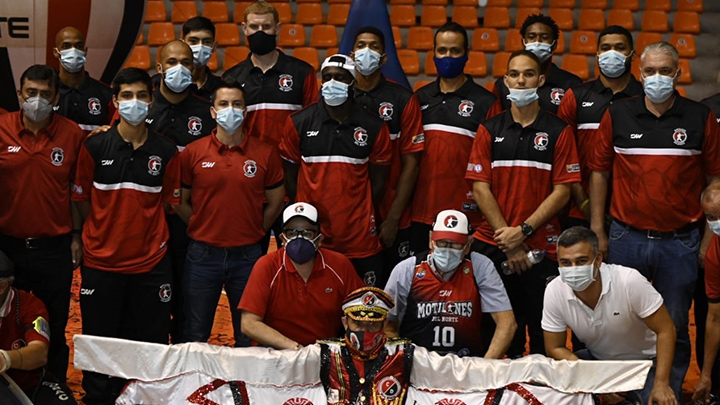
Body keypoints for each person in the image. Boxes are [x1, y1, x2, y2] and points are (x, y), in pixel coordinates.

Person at [588, 41, 720, 400]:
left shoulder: (701, 118)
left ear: (678, 74)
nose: (657, 77)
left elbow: (715, 179)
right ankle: (622, 392)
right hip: (625, 238)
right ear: (640, 73)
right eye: (650, 71)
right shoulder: (618, 114)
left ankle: (663, 393)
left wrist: (707, 241)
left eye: (665, 71)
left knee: (674, 327)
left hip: (680, 242)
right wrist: (599, 230)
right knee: (620, 323)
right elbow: (599, 173)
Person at [72, 67, 181, 405]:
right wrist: (101, 233)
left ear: (151, 100)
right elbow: (82, 200)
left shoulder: (166, 151)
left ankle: (144, 397)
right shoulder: (94, 146)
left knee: (148, 341)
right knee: (99, 340)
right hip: (101, 261)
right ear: (116, 101)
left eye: (142, 96)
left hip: (151, 263)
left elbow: (168, 203)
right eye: (127, 96)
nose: (135, 103)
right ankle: (99, 399)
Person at [465, 50, 580, 357]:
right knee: (496, 333)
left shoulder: (559, 131)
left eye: (528, 74)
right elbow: (480, 188)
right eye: (514, 74)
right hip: (493, 245)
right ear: (505, 81)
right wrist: (510, 240)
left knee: (544, 336)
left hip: (542, 246)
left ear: (540, 80)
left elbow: (562, 192)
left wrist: (524, 232)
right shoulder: (489, 129)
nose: (520, 80)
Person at [174, 81, 285, 346]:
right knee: (195, 333)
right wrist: (200, 226)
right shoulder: (193, 152)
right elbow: (180, 200)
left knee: (248, 336)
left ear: (246, 110)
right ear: (212, 111)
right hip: (202, 255)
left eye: (237, 104)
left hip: (247, 256)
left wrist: (258, 229)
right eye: (224, 104)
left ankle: (243, 388)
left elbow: (276, 201)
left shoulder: (265, 153)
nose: (230, 110)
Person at [0, 65, 85, 382]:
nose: (37, 100)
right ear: (20, 94)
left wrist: (77, 235)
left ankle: (53, 389)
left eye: (45, 94)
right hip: (8, 249)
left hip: (55, 249)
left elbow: (77, 191)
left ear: (56, 97)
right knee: (6, 321)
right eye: (31, 93)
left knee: (55, 325)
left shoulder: (72, 133)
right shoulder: (1, 128)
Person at [280, 54, 392, 287]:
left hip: (359, 237)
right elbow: (290, 178)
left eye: (340, 78)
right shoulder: (298, 122)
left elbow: (378, 182)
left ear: (353, 82)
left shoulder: (374, 126)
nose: (332, 83)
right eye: (327, 77)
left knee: (362, 307)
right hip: (315, 237)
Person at [542, 227, 677, 405]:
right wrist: (596, 380)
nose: (573, 269)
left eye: (581, 261)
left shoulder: (629, 281)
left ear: (598, 260)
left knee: (659, 400)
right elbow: (555, 347)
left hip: (646, 364)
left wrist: (661, 383)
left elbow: (666, 329)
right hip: (598, 360)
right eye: (565, 263)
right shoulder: (554, 290)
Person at [410, 22, 499, 255]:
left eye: (455, 51)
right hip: (422, 211)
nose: (447, 57)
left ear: (466, 54)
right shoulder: (419, 98)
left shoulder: (486, 102)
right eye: (442, 51)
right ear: (433, 53)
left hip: (468, 213)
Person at [149, 39, 216, 343]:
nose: (179, 68)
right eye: (172, 62)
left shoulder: (208, 112)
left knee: (189, 304)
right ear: (159, 67)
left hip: (194, 222)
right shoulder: (143, 109)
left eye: (186, 62)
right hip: (149, 222)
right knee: (152, 301)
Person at [384, 210, 515, 358]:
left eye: (455, 244)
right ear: (431, 240)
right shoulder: (407, 269)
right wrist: (402, 361)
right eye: (442, 242)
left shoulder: (480, 266)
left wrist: (484, 366)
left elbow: (507, 324)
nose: (447, 249)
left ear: (468, 246)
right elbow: (387, 324)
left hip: (468, 363)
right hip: (418, 364)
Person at [350, 26, 424, 272]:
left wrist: (393, 218)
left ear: (384, 58)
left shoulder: (403, 98)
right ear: (351, 55)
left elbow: (411, 163)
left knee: (392, 295)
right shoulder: (340, 97)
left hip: (393, 215)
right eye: (361, 45)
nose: (366, 51)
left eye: (374, 46)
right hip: (351, 218)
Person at [239, 202, 364, 349]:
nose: (299, 239)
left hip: (323, 355)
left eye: (307, 233)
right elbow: (248, 324)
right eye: (291, 233)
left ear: (319, 239)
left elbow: (362, 313)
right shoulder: (267, 266)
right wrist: (297, 350)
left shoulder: (340, 265)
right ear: (282, 238)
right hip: (276, 354)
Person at [557, 25, 643, 228]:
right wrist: (585, 204)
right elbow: (565, 157)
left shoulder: (646, 97)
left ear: (632, 54)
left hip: (633, 215)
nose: (612, 53)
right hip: (579, 211)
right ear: (597, 54)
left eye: (620, 47)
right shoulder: (575, 97)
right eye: (606, 48)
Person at [222, 1, 318, 147]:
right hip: (247, 162)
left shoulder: (302, 72)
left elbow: (313, 120)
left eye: (266, 27)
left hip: (290, 162)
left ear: (277, 28)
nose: (260, 32)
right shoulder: (232, 77)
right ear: (245, 29)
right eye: (254, 27)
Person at [0, 251, 77, 405]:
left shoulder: (30, 306)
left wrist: (5, 359)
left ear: (2, 286)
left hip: (26, 384)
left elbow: (39, 353)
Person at [319, 287, 413, 405]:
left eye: (372, 324)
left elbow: (440, 367)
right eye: (357, 324)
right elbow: (291, 362)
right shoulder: (328, 352)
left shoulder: (401, 354)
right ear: (345, 323)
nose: (365, 330)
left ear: (384, 324)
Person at [489, 14, 581, 115]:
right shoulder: (503, 85)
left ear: (554, 45)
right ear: (523, 42)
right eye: (531, 37)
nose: (537, 42)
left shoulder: (571, 84)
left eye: (544, 37)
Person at [53, 26, 114, 132]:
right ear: (56, 52)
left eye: (78, 46)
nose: (73, 51)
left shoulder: (106, 93)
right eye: (66, 46)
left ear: (85, 51)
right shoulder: (48, 92)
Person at [151, 17, 223, 102]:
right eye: (193, 41)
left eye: (207, 42)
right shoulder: (155, 84)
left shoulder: (221, 87)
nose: (200, 47)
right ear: (183, 43)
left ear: (214, 46)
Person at [693, 183, 720, 404]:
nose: (716, 223)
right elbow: (715, 317)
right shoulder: (714, 255)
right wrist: (706, 376)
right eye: (710, 218)